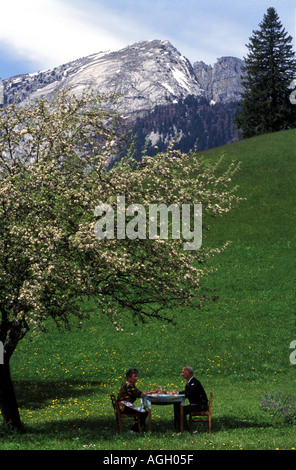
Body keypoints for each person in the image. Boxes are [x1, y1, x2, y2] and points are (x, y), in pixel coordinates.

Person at [117, 368, 158, 433]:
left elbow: (138, 393)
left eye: (136, 376)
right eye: (134, 376)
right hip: (124, 406)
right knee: (144, 412)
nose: (136, 378)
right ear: (128, 377)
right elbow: (140, 394)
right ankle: (133, 430)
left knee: (143, 411)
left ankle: (138, 429)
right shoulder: (129, 385)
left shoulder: (127, 384)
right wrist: (152, 392)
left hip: (123, 405)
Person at [172, 366, 208, 431]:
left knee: (181, 410)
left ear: (188, 373)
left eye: (183, 372)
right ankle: (179, 428)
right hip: (196, 405)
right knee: (179, 408)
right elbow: (187, 393)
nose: (182, 374)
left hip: (201, 405)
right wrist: (178, 393)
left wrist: (178, 393)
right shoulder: (189, 383)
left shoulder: (194, 383)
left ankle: (184, 430)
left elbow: (188, 393)